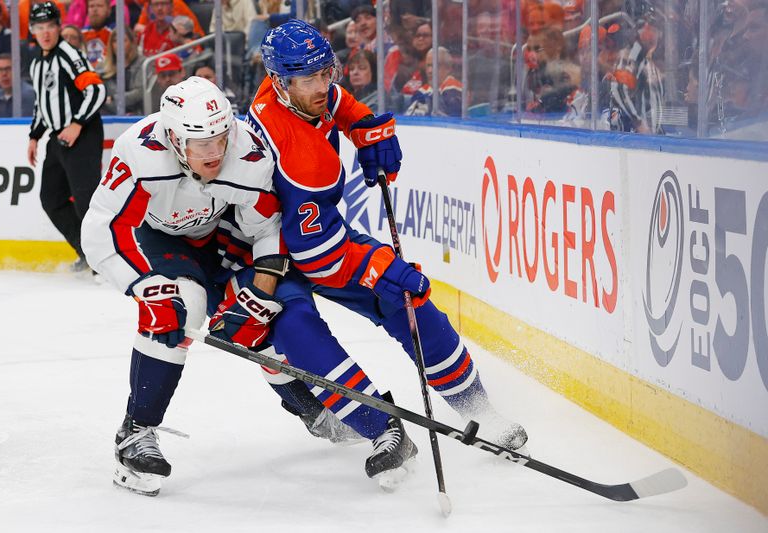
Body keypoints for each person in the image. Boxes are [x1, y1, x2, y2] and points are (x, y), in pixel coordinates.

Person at [242, 19, 529, 485]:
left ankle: (482, 412)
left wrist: (363, 127)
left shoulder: (291, 89)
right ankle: (379, 429)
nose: (322, 85)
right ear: (281, 82)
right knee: (300, 333)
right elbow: (321, 259)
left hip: (304, 229)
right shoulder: (300, 157)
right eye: (310, 79)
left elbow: (335, 101)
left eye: (325, 72)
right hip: (278, 251)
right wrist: (379, 269)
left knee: (412, 306)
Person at [81, 76, 350, 496]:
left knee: (259, 314)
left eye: (220, 137)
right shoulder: (141, 151)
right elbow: (101, 228)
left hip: (219, 232)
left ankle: (309, 408)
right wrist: (141, 285)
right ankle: (136, 431)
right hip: (160, 238)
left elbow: (266, 226)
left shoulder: (247, 152)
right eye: (200, 143)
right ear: (172, 137)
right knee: (177, 306)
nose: (215, 152)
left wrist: (260, 292)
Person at [26, 2, 106, 272]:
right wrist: (35, 135)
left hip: (82, 135)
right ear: (32, 30)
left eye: (50, 26)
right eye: (40, 27)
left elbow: (96, 90)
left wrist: (77, 123)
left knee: (86, 201)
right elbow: (42, 102)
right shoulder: (37, 62)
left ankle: (103, 262)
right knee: (51, 199)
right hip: (58, 138)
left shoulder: (67, 54)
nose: (46, 32)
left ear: (59, 27)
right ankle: (86, 253)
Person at [405, 46, 462, 117]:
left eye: (435, 66)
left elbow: (451, 122)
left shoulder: (453, 89)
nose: (430, 71)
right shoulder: (423, 90)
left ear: (448, 68)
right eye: (428, 66)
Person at [101, 26, 145, 115]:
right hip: (109, 113)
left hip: (136, 113)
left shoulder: (142, 63)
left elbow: (139, 92)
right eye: (115, 41)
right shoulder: (103, 67)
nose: (119, 45)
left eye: (123, 40)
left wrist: (113, 99)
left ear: (132, 43)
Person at [81, 0, 114, 69]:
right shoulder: (82, 33)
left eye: (99, 6)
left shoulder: (115, 31)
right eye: (91, 6)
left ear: (108, 10)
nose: (95, 9)